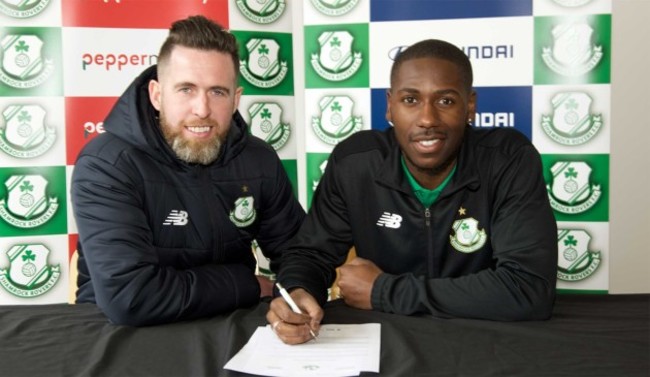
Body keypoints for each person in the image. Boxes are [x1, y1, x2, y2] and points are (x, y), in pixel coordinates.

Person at [267, 39, 558, 344]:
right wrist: (298, 290)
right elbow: (312, 254)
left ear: (470, 106)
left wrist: (383, 291)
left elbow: (528, 288)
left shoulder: (507, 160)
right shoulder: (355, 163)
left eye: (445, 101)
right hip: (387, 342)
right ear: (390, 106)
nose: (428, 119)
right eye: (410, 100)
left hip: (482, 339)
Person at [71, 15, 305, 326]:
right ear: (157, 95)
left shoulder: (258, 158)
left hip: (231, 319)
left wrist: (299, 290)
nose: (202, 109)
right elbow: (131, 297)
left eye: (217, 92)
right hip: (123, 334)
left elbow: (299, 252)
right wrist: (248, 284)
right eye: (186, 90)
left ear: (236, 99)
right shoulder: (107, 164)